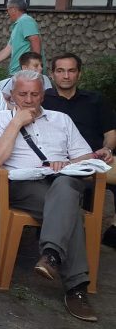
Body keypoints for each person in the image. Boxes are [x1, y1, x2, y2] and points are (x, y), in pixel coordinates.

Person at [0, 71, 103, 322]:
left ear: (43, 95)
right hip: (23, 186)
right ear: (11, 95)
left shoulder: (61, 119)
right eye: (22, 94)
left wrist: (67, 163)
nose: (28, 100)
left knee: (65, 187)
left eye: (34, 94)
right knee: (69, 209)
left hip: (62, 181)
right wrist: (16, 123)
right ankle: (76, 288)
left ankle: (51, 256)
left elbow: (84, 156)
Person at [42, 52, 116, 244]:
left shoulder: (95, 100)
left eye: (71, 71)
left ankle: (112, 231)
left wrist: (107, 149)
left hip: (95, 160)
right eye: (60, 71)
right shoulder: (42, 100)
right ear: (52, 74)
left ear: (79, 74)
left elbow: (110, 132)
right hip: (57, 163)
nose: (66, 76)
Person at [0, 0, 42, 75]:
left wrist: (35, 68)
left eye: (7, 10)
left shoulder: (25, 20)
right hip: (17, 73)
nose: (7, 13)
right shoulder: (18, 24)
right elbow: (8, 49)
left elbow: (35, 40)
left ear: (13, 9)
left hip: (26, 74)